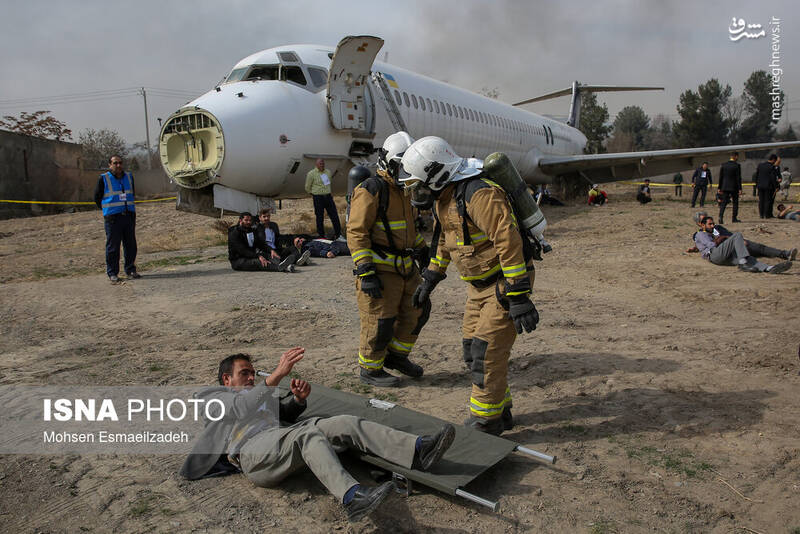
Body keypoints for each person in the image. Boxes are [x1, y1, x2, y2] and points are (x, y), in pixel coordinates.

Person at [180, 351, 455, 523]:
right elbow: (241, 407)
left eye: (253, 373)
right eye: (245, 373)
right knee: (307, 434)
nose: (252, 377)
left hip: (280, 440)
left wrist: (298, 400)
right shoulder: (213, 398)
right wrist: (275, 376)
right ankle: (352, 498)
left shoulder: (261, 397)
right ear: (226, 379)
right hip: (252, 454)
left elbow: (284, 411)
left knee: (343, 422)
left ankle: (417, 451)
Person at [400, 137, 540, 435]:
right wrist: (430, 278)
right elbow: (444, 242)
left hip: (503, 284)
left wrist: (518, 295)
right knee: (471, 350)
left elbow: (509, 243)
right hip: (477, 288)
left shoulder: (479, 195)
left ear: (437, 174)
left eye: (419, 184)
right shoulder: (444, 199)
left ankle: (486, 421)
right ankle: (499, 411)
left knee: (486, 351)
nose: (417, 192)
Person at [348, 133, 429, 387]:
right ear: (387, 163)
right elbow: (356, 231)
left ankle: (397, 356)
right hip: (380, 270)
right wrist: (365, 270)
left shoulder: (405, 190)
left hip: (406, 268)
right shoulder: (371, 190)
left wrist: (421, 249)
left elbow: (406, 230)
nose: (406, 171)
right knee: (380, 321)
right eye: (401, 165)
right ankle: (370, 369)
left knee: (419, 310)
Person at [93, 155, 139, 283]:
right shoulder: (103, 179)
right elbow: (97, 197)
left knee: (131, 245)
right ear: (110, 165)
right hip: (113, 218)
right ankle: (112, 273)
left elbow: (132, 193)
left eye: (120, 163)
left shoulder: (129, 177)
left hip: (128, 216)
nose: (118, 165)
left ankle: (130, 270)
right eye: (115, 163)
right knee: (113, 247)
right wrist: (107, 211)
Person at [693, 216, 791, 273]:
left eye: (713, 223)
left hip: (724, 256)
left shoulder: (714, 231)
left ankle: (768, 268)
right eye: (710, 224)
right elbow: (711, 245)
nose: (713, 225)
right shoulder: (700, 234)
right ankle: (743, 264)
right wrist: (724, 238)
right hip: (714, 255)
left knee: (747, 257)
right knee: (737, 235)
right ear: (702, 225)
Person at [687, 211, 796, 260]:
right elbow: (705, 244)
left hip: (736, 244)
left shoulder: (718, 228)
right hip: (727, 250)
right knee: (756, 251)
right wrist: (695, 248)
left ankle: (784, 254)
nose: (708, 222)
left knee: (760, 249)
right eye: (704, 220)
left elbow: (730, 235)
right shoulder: (699, 234)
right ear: (699, 224)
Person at [228, 212, 294, 272]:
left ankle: (282, 264)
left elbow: (261, 244)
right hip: (239, 261)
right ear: (240, 220)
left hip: (251, 256)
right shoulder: (234, 233)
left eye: (250, 220)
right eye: (246, 220)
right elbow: (242, 250)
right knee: (259, 262)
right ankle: (282, 268)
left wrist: (271, 250)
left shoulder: (252, 230)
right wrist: (258, 256)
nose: (248, 222)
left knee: (270, 255)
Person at [305, 158, 343, 240]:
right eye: (320, 164)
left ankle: (338, 234)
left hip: (328, 196)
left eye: (323, 164)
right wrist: (315, 194)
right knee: (319, 217)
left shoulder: (328, 172)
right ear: (316, 165)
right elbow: (307, 187)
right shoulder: (311, 174)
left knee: (334, 215)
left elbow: (329, 183)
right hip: (318, 198)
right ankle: (321, 235)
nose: (322, 165)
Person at [718, 152, 742, 224]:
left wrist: (719, 187)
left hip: (725, 186)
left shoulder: (724, 165)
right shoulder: (737, 166)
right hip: (734, 187)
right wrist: (740, 188)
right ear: (735, 156)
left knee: (724, 202)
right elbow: (738, 178)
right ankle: (734, 218)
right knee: (735, 203)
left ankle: (720, 216)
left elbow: (721, 177)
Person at [755, 154, 781, 219]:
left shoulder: (760, 165)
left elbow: (757, 175)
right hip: (769, 186)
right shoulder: (772, 167)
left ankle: (761, 214)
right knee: (768, 201)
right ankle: (767, 215)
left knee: (761, 201)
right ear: (773, 160)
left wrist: (757, 185)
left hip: (760, 186)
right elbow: (773, 177)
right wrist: (776, 187)